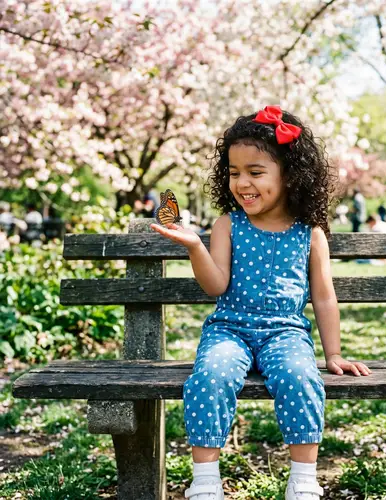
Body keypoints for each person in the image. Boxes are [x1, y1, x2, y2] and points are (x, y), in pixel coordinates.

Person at [151, 105, 371, 500]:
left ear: (290, 174)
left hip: (285, 332)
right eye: (234, 173)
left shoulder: (310, 233)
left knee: (301, 378)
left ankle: (303, 477)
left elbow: (322, 295)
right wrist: (194, 247)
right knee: (210, 376)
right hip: (229, 330)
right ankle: (205, 481)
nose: (242, 183)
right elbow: (216, 286)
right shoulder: (227, 225)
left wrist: (333, 353)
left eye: (255, 172)